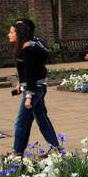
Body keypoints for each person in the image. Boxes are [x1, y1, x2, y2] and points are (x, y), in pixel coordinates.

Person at [9, 18, 61, 156]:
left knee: (21, 122)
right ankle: (55, 148)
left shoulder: (30, 47)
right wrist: (21, 85)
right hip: (33, 87)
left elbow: (32, 72)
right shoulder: (24, 47)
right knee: (41, 119)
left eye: (13, 30)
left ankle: (17, 153)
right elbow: (25, 71)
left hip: (34, 88)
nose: (10, 34)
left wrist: (28, 95)